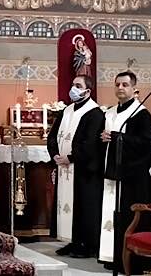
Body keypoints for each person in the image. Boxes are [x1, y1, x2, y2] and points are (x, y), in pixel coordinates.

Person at [98, 71, 151, 272]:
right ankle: (113, 256)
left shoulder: (141, 114)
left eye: (125, 85)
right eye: (117, 85)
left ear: (134, 89)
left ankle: (133, 262)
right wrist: (105, 138)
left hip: (132, 176)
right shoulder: (110, 112)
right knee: (112, 215)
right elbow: (106, 139)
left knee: (128, 216)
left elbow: (146, 143)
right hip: (112, 173)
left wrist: (117, 137)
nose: (120, 88)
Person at [47, 75, 104, 259]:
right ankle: (72, 241)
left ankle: (86, 245)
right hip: (64, 167)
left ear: (88, 91)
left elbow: (91, 143)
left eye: (78, 86)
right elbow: (53, 135)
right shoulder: (67, 110)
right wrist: (55, 154)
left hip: (83, 169)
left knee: (84, 206)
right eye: (73, 85)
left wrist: (71, 157)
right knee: (68, 205)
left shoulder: (95, 113)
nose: (73, 89)